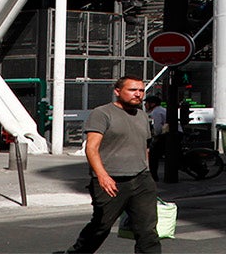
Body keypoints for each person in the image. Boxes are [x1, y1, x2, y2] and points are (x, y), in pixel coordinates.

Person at [60, 74, 160, 254]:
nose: (138, 94)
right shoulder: (102, 113)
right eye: (132, 90)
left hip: (141, 179)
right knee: (101, 226)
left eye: (141, 91)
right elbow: (91, 148)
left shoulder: (142, 116)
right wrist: (102, 176)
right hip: (111, 181)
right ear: (117, 91)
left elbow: (144, 147)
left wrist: (149, 174)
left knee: (147, 230)